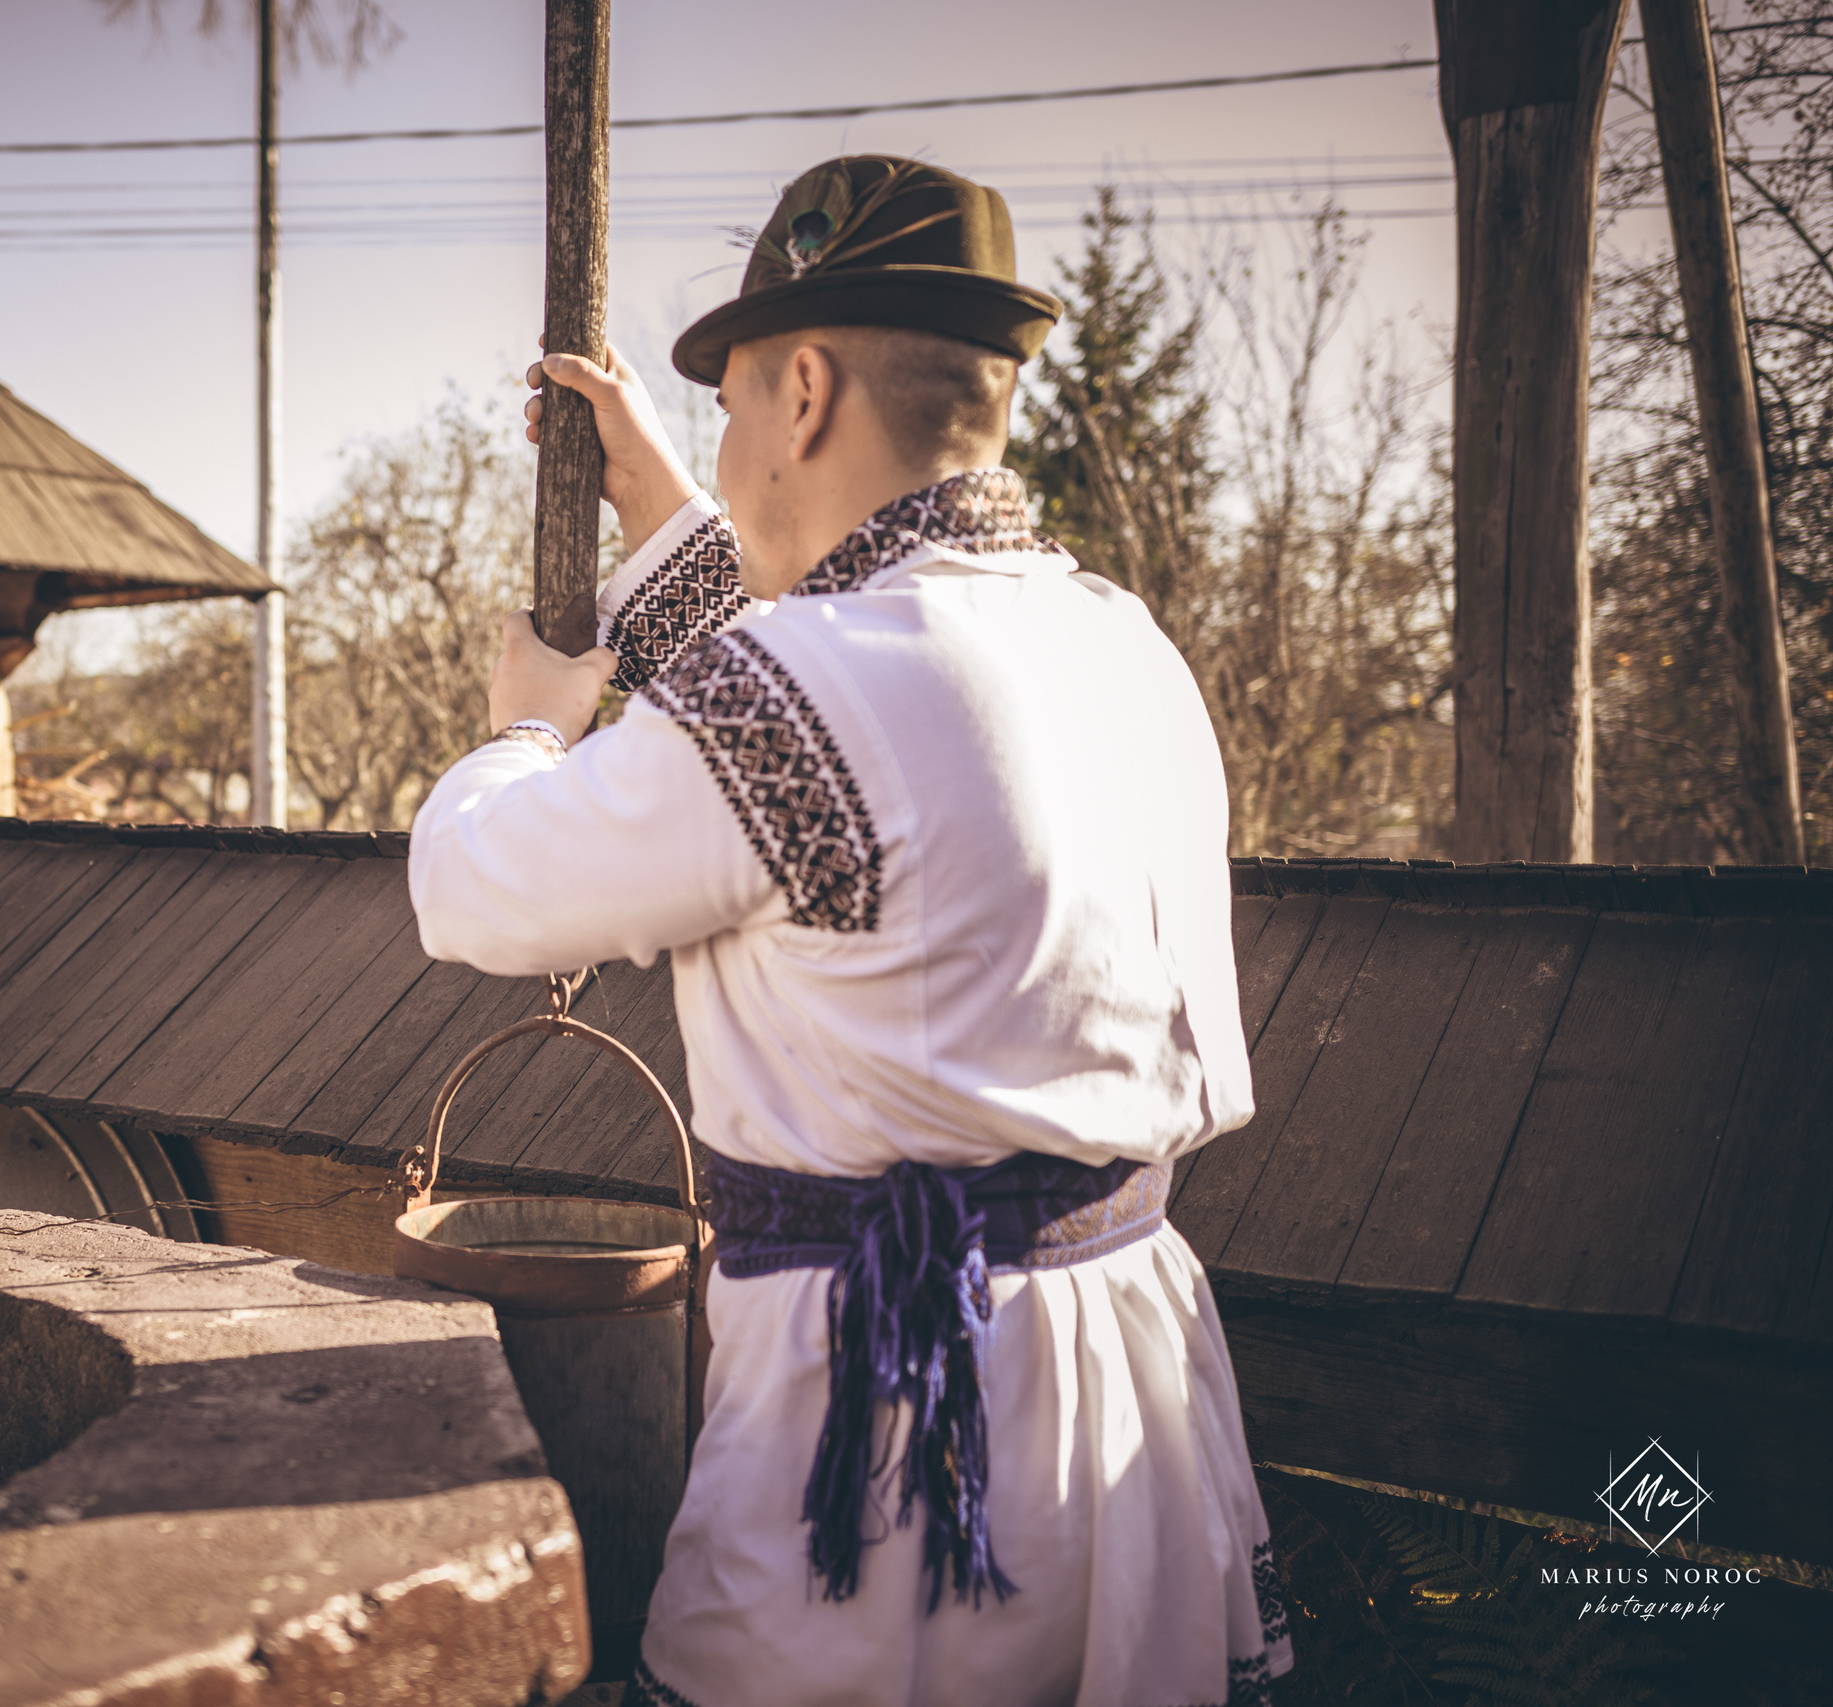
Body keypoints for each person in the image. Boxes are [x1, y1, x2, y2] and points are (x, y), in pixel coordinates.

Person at [408, 157, 1290, 1707]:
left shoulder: (802, 693)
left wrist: (528, 735)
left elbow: (475, 886)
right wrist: (674, 507)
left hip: (902, 1439)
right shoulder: (1118, 640)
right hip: (1136, 1368)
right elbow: (863, 754)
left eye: (744, 404)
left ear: (805, 386)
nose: (737, 442)